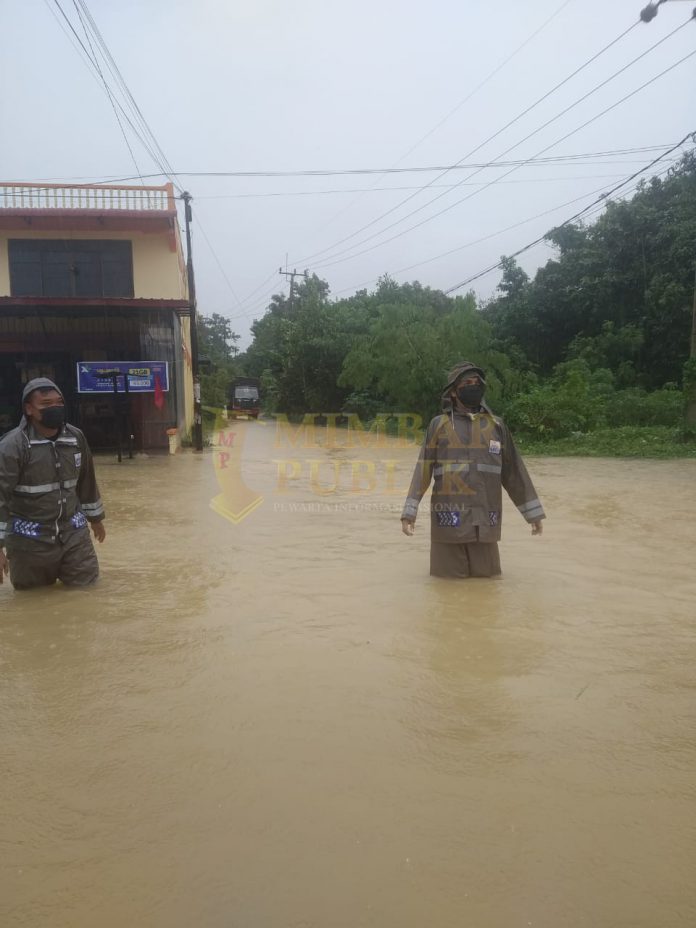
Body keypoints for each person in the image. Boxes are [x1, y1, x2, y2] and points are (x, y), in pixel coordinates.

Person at [401, 361, 544, 578]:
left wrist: (532, 514)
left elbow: (514, 473)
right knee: (446, 589)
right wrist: (409, 513)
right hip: (448, 526)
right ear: (454, 392)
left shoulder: (496, 426)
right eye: (467, 383)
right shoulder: (438, 426)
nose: (473, 386)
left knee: (489, 586)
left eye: (477, 383)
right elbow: (422, 471)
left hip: (486, 523)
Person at [0, 378, 106, 590]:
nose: (55, 408)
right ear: (29, 409)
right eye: (47, 405)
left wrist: (95, 519)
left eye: (59, 402)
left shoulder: (75, 438)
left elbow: (87, 480)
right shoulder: (13, 446)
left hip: (74, 537)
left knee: (87, 595)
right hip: (29, 544)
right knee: (33, 604)